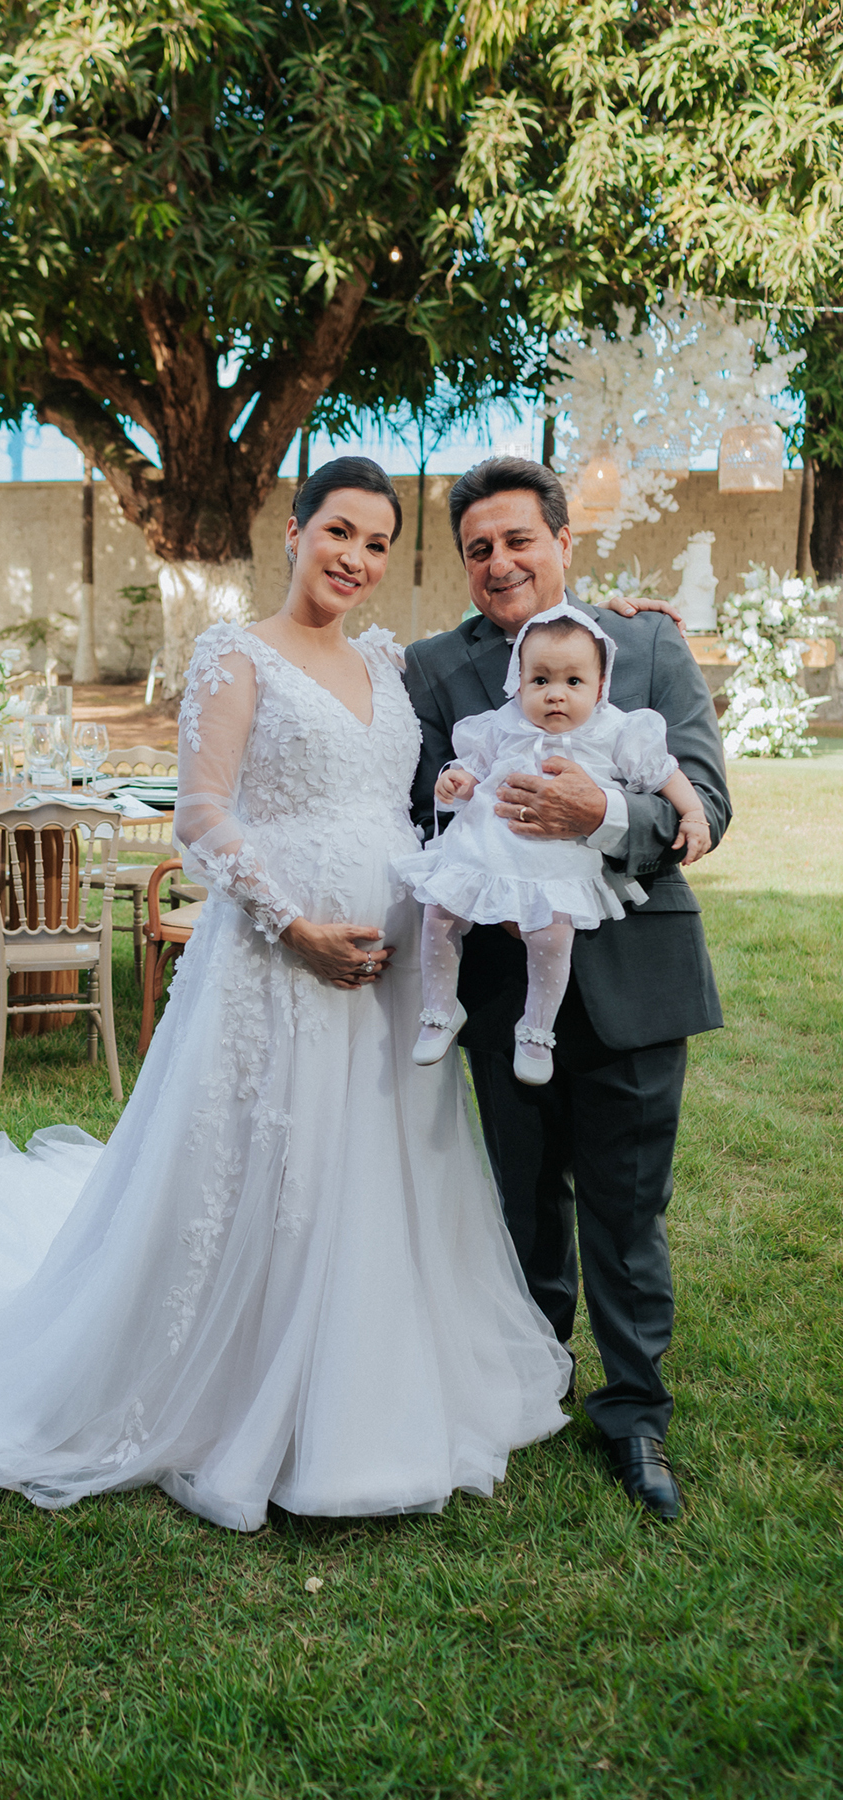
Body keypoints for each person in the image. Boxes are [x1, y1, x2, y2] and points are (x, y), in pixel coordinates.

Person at [0, 457, 570, 1534]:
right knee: (271, 1170)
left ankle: (372, 1381)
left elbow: (505, 692)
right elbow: (201, 817)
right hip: (280, 961)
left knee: (378, 1171)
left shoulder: (388, 660)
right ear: (293, 530)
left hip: (393, 963)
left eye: (378, 543)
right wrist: (297, 926)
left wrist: (610, 617)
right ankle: (237, 1388)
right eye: (338, 532)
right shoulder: (236, 655)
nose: (356, 559)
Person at [403, 457, 732, 1521]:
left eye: (519, 540)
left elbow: (705, 805)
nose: (501, 563)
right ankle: (530, 1381)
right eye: (479, 549)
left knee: (629, 1213)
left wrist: (602, 817)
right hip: (504, 985)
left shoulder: (644, 642)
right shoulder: (432, 670)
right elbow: (419, 805)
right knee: (522, 1202)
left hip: (637, 976)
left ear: (563, 543)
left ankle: (635, 1417)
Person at [395, 603, 711, 1085]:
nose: (555, 695)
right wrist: (456, 782)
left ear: (600, 687)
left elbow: (663, 772)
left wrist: (691, 813)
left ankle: (536, 1030)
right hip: (485, 852)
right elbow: (472, 767)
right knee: (439, 913)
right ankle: (440, 1008)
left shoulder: (613, 730)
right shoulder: (504, 723)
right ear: (517, 684)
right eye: (540, 681)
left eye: (573, 683)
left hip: (556, 861)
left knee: (552, 936)